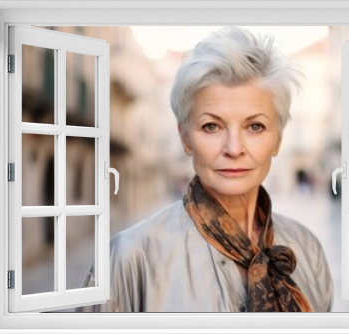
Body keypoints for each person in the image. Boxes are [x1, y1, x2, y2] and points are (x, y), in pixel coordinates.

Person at [77, 27, 332, 313]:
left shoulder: (308, 249)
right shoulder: (131, 258)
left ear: (278, 139)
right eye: (212, 126)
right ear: (185, 137)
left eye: (255, 126)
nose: (234, 148)